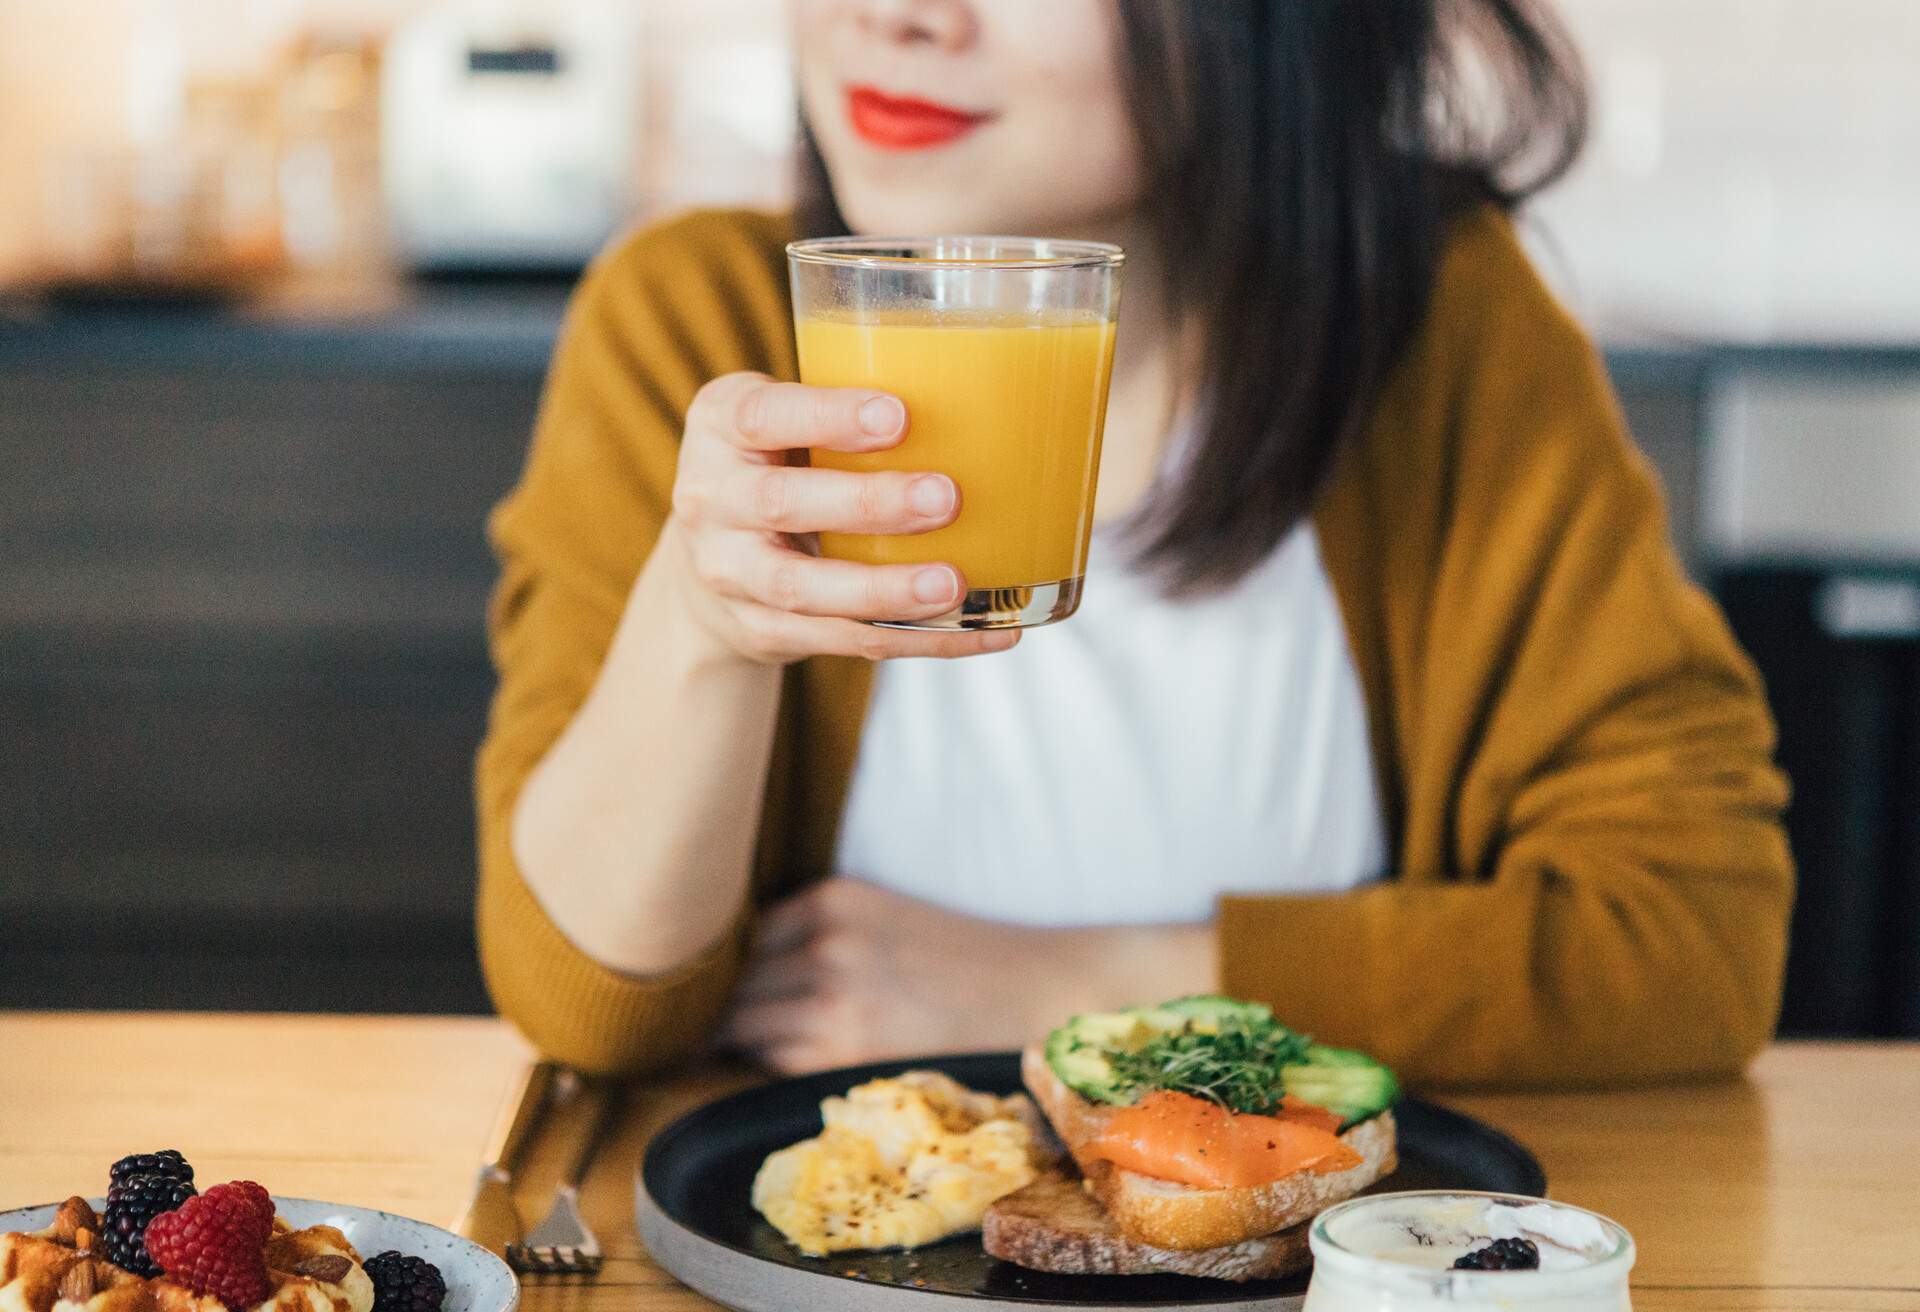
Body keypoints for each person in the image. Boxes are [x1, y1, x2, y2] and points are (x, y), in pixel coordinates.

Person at [476, 0, 1793, 1087]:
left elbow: (1689, 936)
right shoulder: (692, 323)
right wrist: (702, 633)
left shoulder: (1447, 333)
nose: (897, 20)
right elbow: (588, 1009)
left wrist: (1086, 986)